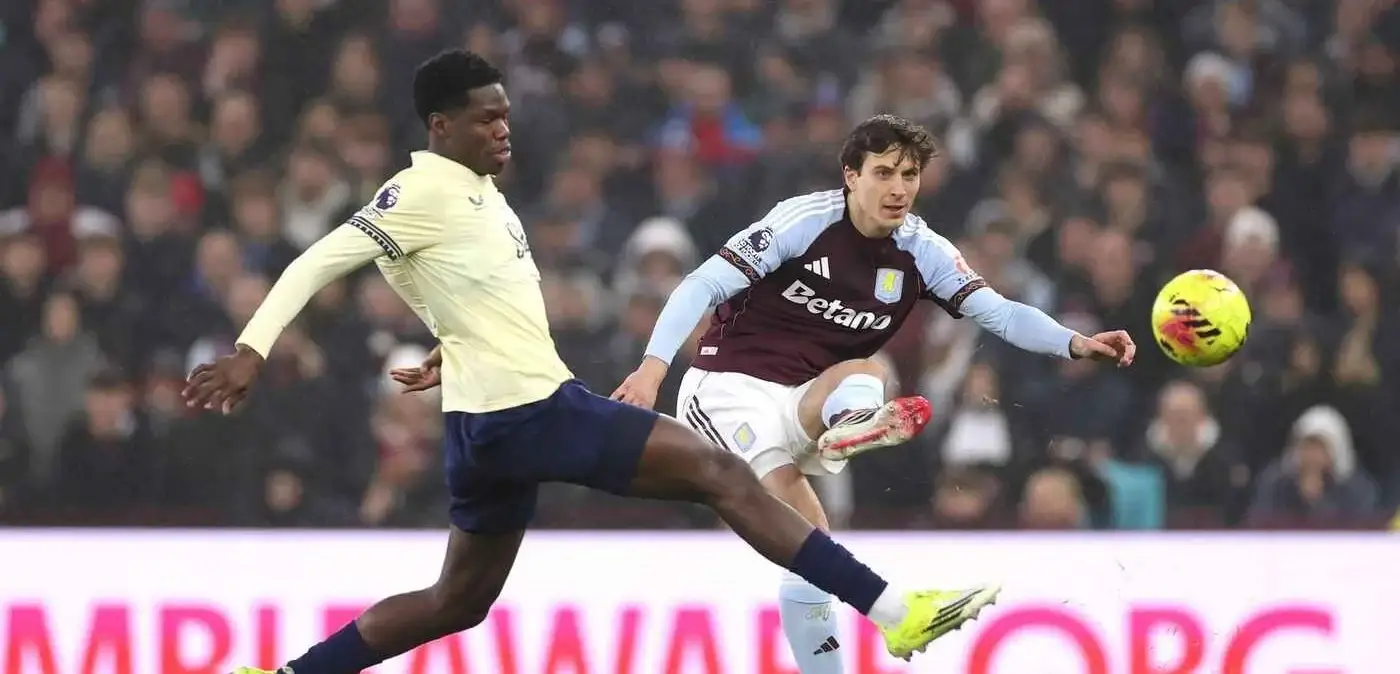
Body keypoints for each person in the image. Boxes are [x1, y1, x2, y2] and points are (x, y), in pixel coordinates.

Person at [182, 51, 1000, 674]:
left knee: (457, 602)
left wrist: (452, 336)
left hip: (485, 423)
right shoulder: (418, 193)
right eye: (486, 120)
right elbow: (315, 262)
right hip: (528, 412)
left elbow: (459, 287)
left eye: (505, 117)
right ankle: (894, 610)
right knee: (722, 474)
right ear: (440, 127)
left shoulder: (475, 195)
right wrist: (251, 348)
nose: (504, 130)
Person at [612, 114, 1137, 673]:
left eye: (909, 174)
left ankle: (852, 428)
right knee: (809, 536)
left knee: (867, 371)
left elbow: (1001, 313)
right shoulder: (803, 221)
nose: (898, 188)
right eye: (883, 172)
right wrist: (652, 372)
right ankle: (888, 589)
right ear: (850, 175)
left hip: (804, 398)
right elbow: (704, 283)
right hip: (727, 389)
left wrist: (1075, 342)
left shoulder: (922, 249)